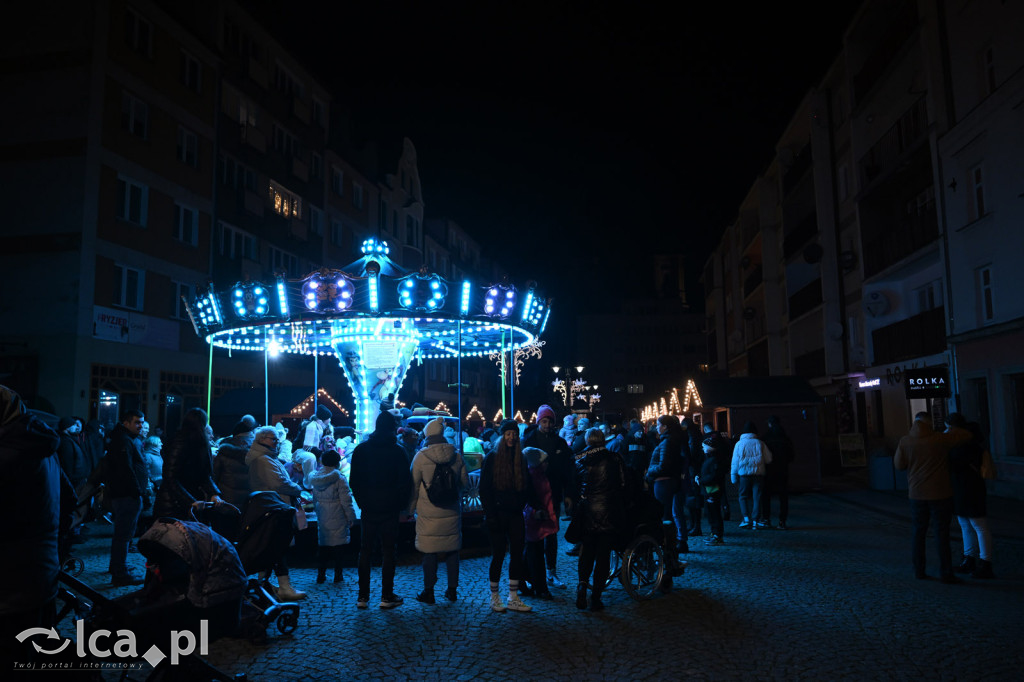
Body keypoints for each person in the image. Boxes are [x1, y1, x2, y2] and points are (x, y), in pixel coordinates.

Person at [0, 385, 75, 666]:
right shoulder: (43, 448)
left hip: (8, 590)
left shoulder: (6, 457)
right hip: (42, 578)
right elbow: (69, 502)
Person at [894, 411, 970, 583]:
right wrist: (949, 429)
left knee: (918, 533)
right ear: (930, 423)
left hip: (916, 493)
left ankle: (919, 570)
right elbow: (965, 435)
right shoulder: (940, 440)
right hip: (940, 493)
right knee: (942, 533)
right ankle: (946, 572)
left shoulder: (905, 441)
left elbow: (899, 465)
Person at [349, 411, 413, 609]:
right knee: (388, 551)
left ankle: (362, 596)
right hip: (389, 508)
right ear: (393, 428)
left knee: (365, 550)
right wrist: (400, 504)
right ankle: (386, 596)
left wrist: (361, 502)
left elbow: (354, 481)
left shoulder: (361, 450)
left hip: (369, 507)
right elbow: (405, 482)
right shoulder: (398, 451)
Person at [409, 417, 469, 604]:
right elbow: (465, 483)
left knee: (430, 552)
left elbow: (413, 486)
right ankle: (452, 590)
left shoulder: (420, 457)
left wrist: (410, 509)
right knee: (452, 552)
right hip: (451, 511)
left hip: (428, 513)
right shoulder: (456, 455)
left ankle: (429, 591)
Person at [245, 425, 307, 600]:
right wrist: (297, 489)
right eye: (273, 439)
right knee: (277, 547)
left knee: (272, 547)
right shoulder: (263, 460)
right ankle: (283, 586)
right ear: (262, 439)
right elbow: (278, 483)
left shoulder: (264, 458)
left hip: (272, 507)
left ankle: (263, 583)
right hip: (274, 508)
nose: (276, 442)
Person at [479, 419, 533, 613]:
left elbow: (526, 484)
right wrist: (490, 515)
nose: (511, 437)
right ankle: (495, 596)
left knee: (517, 554)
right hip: (498, 514)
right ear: (503, 436)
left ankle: (513, 596)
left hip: (515, 514)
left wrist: (527, 503)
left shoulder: (521, 457)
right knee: (498, 554)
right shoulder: (492, 457)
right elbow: (484, 489)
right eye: (508, 434)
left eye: (514, 434)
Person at [572, 427, 627, 611]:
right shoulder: (614, 458)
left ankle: (581, 585)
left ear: (587, 441)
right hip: (607, 511)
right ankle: (596, 596)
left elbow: (574, 484)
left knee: (586, 552)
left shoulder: (580, 458)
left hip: (587, 511)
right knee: (603, 557)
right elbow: (622, 484)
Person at [523, 404, 571, 589]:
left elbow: (567, 470)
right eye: (544, 421)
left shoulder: (559, 443)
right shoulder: (529, 440)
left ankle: (551, 571)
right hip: (533, 495)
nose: (547, 424)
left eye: (550, 421)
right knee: (533, 536)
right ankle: (531, 573)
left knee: (552, 534)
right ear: (538, 422)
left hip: (554, 493)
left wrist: (568, 494)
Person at [105, 408, 150, 586]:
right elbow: (126, 469)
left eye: (142, 422)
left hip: (127, 493)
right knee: (123, 535)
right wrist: (137, 491)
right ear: (126, 423)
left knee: (124, 534)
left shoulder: (127, 439)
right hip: (127, 495)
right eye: (137, 422)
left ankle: (117, 567)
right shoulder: (123, 440)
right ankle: (119, 573)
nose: (141, 425)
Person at [154, 407, 223, 521]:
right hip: (173, 504)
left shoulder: (194, 442)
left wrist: (214, 493)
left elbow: (203, 474)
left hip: (184, 502)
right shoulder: (181, 442)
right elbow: (170, 476)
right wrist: (191, 500)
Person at [948, 419, 995, 579]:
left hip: (963, 490)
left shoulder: (959, 449)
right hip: (973, 489)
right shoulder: (978, 449)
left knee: (972, 526)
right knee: (975, 526)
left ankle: (977, 561)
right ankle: (979, 561)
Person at [310, 449, 357, 584]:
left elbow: (314, 500)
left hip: (323, 513)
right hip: (337, 514)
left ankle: (321, 575)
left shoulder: (315, 478)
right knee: (338, 547)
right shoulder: (339, 478)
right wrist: (351, 517)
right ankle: (338, 575)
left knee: (323, 546)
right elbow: (346, 501)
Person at [645, 414, 687, 555]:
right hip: (669, 481)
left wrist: (650, 471)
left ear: (665, 427)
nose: (656, 427)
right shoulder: (671, 440)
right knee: (670, 514)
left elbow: (664, 466)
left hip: (664, 483)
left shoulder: (667, 442)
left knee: (665, 516)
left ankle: (669, 551)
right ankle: (671, 548)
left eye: (658, 425)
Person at [521, 446, 557, 600]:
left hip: (539, 519)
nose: (547, 464)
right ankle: (539, 587)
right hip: (535, 519)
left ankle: (525, 581)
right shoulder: (533, 477)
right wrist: (536, 512)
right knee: (535, 554)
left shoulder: (538, 475)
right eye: (544, 461)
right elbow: (529, 500)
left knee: (532, 551)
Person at [730, 422, 772, 529]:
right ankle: (756, 520)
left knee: (743, 496)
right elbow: (769, 459)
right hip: (758, 474)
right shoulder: (760, 443)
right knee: (757, 497)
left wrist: (733, 476)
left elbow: (735, 462)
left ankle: (746, 518)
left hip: (744, 475)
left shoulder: (739, 444)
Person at [760, 415, 795, 529]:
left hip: (769, 470)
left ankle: (766, 519)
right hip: (783, 470)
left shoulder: (766, 438)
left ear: (770, 424)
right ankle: (782, 521)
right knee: (783, 496)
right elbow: (791, 456)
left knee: (766, 495)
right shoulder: (785, 438)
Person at [212, 419, 254, 510]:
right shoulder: (253, 456)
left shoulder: (223, 453)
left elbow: (214, 477)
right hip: (244, 505)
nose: (252, 441)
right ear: (243, 440)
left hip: (226, 504)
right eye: (251, 438)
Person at [699, 431, 730, 545]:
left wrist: (701, 480)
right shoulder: (711, 458)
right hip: (709, 489)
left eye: (704, 447)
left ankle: (717, 535)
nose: (703, 449)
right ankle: (714, 533)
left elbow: (713, 476)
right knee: (711, 512)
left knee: (714, 512)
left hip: (713, 489)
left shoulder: (715, 460)